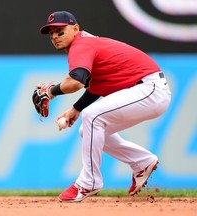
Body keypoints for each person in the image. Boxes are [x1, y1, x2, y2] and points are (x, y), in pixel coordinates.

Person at [39, 11, 171, 202]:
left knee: (93, 116)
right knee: (88, 128)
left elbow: (75, 82)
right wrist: (75, 109)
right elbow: (98, 87)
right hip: (147, 90)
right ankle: (142, 162)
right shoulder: (87, 43)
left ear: (75, 29)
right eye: (51, 33)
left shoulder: (80, 45)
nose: (54, 36)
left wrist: (51, 92)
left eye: (60, 31)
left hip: (150, 89)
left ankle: (88, 182)